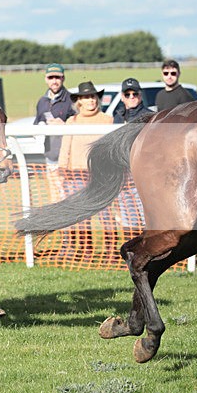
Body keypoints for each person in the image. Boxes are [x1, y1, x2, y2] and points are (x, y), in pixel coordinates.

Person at [57, 82, 115, 260]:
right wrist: (61, 170)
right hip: (76, 174)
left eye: (93, 96)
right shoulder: (72, 121)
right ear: (79, 101)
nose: (90, 100)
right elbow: (65, 147)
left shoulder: (107, 120)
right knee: (81, 215)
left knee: (106, 214)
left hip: (101, 175)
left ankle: (111, 250)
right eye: (86, 97)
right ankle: (85, 251)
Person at [113, 78, 153, 232]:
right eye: (127, 94)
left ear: (140, 95)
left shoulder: (150, 117)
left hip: (143, 174)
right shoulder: (118, 117)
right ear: (122, 97)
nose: (131, 97)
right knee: (128, 216)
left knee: (147, 214)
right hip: (123, 172)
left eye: (134, 93)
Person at [33, 63, 75, 165]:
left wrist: (64, 125)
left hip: (69, 157)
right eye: (51, 77)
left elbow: (82, 127)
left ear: (63, 78)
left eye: (57, 77)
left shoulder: (72, 100)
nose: (54, 81)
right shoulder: (42, 101)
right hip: (50, 156)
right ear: (46, 79)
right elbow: (36, 125)